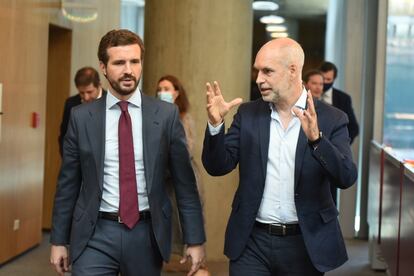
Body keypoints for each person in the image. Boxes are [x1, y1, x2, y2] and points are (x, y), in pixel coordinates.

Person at [50, 29, 205, 276]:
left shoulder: (165, 115)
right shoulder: (81, 118)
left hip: (147, 233)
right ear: (103, 66)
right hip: (95, 233)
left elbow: (184, 183)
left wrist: (195, 239)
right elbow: (67, 184)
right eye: (119, 62)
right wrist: (59, 240)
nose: (128, 70)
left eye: (135, 61)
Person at [202, 38, 357, 275]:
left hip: (305, 242)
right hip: (252, 242)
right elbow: (217, 166)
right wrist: (215, 125)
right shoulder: (248, 114)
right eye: (258, 71)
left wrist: (317, 140)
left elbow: (346, 177)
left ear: (293, 70)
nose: (259, 79)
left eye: (267, 71)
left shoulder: (332, 118)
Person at [156, 75, 208, 274]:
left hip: (184, 177)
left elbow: (186, 150)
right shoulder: (154, 115)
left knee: (187, 220)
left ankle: (196, 263)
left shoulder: (184, 116)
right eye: (160, 88)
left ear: (176, 92)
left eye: (167, 88)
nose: (163, 92)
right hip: (163, 179)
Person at [58, 66, 103, 156]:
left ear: (99, 85)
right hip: (77, 162)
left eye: (90, 92)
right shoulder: (71, 103)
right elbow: (64, 135)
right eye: (82, 93)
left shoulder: (110, 101)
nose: (86, 97)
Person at [319, 61, 359, 144]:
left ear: (334, 79)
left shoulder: (343, 99)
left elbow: (353, 127)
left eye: (328, 79)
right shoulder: (308, 95)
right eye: (323, 78)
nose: (325, 82)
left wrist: (342, 145)